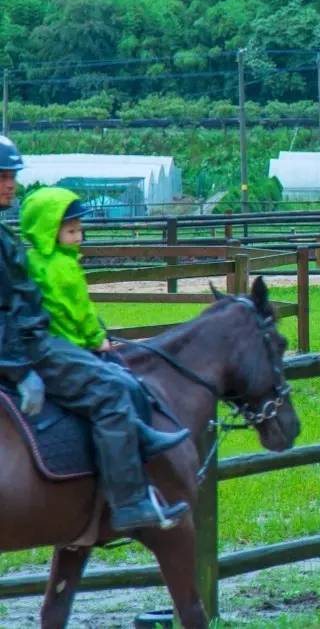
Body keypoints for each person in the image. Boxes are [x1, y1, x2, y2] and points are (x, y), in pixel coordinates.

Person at [0, 138, 191, 532]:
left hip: (32, 342)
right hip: (27, 350)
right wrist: (20, 371)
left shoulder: (4, 235)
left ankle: (135, 437)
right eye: (2, 177)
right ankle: (129, 503)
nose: (10, 185)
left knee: (113, 371)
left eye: (11, 176)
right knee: (107, 391)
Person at [20, 188, 107, 351]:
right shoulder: (64, 265)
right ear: (51, 233)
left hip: (42, 342)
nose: (78, 237)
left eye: (80, 230)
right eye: (71, 231)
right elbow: (79, 307)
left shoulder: (30, 258)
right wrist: (97, 338)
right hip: (72, 344)